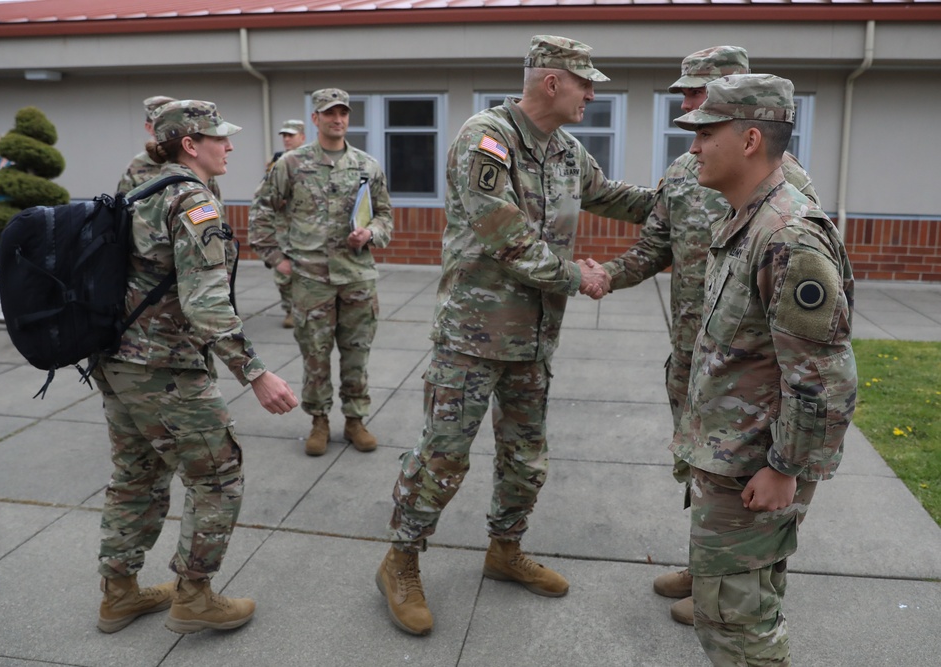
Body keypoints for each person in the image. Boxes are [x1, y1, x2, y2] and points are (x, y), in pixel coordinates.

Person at [375, 35, 655, 636]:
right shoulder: (486, 138)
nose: (591, 94)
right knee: (442, 458)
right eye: (585, 83)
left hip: (533, 340)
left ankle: (505, 551)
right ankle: (399, 561)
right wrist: (577, 276)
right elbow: (503, 234)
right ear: (552, 82)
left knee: (526, 460)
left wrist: (688, 194)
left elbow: (611, 197)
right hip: (473, 337)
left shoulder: (567, 151)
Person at [598, 46, 822, 626]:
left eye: (697, 94)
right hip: (696, 361)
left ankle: (739, 590)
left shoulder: (786, 190)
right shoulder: (684, 171)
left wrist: (793, 457)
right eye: (684, 94)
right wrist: (604, 278)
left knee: (753, 490)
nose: (687, 107)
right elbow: (653, 249)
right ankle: (706, 566)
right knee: (703, 469)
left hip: (753, 377)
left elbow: (814, 339)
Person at [93, 99, 298, 636]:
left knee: (136, 477)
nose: (230, 146)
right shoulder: (190, 200)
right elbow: (206, 305)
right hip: (166, 368)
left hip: (117, 359)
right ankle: (194, 595)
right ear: (190, 144)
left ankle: (118, 594)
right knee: (219, 478)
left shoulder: (140, 182)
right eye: (219, 138)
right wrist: (256, 373)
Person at [670, 74, 856, 665]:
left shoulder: (787, 236)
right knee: (738, 609)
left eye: (706, 133)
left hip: (755, 470)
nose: (694, 146)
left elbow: (825, 378)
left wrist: (786, 469)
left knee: (738, 628)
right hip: (734, 461)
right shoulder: (749, 220)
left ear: (749, 140)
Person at [248, 88, 392, 457]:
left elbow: (385, 216)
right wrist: (276, 258)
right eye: (330, 113)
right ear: (315, 119)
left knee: (356, 354)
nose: (338, 119)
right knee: (315, 354)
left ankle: (356, 419)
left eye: (343, 113)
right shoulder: (292, 164)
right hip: (310, 279)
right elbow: (262, 210)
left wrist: (371, 233)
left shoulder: (367, 165)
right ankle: (319, 420)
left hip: (357, 276)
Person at [117, 95, 222, 200]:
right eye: (161, 125)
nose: (169, 130)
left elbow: (216, 205)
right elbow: (123, 208)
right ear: (149, 127)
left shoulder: (194, 161)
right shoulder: (137, 166)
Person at [264, 118, 308, 329]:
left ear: (302, 137)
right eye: (284, 135)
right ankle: (290, 310)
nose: (287, 139)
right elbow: (266, 191)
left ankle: (307, 308)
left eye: (291, 135)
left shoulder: (310, 160)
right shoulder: (277, 160)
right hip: (283, 225)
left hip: (305, 225)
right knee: (283, 271)